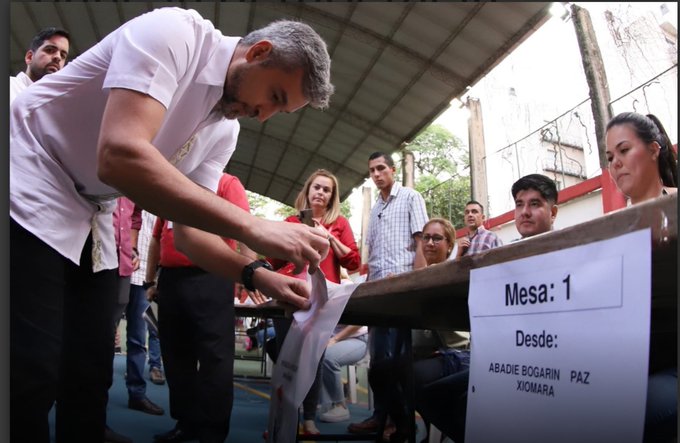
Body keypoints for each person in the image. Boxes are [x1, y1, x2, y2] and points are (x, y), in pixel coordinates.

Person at [10, 8, 333, 443]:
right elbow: (120, 155)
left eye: (281, 110)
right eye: (274, 96)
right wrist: (252, 226)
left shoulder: (224, 130)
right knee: (30, 366)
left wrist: (258, 275)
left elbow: (189, 232)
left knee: (89, 369)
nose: (264, 115)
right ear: (258, 52)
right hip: (28, 171)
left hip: (93, 208)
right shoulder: (174, 34)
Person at [418, 174, 559, 443]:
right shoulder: (503, 258)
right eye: (519, 204)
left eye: (535, 204)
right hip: (500, 364)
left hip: (545, 369)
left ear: (553, 212)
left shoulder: (569, 248)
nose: (525, 212)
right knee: (431, 397)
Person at [147, 172, 259, 443]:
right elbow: (156, 237)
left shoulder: (226, 184)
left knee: (215, 358)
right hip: (171, 281)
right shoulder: (171, 182)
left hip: (213, 277)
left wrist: (250, 272)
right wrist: (151, 279)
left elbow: (245, 229)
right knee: (176, 357)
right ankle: (186, 423)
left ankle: (213, 431)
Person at [267, 169, 362, 435]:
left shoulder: (340, 224)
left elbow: (353, 262)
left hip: (319, 300)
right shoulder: (290, 220)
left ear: (332, 197)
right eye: (316, 187)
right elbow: (273, 261)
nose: (320, 192)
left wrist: (329, 236)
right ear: (307, 191)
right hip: (289, 296)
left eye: (326, 190)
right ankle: (285, 417)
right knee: (286, 356)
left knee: (315, 360)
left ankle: (308, 418)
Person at [605, 112, 677, 443]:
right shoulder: (604, 230)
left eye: (623, 150)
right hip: (625, 360)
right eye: (609, 157)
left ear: (653, 149)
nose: (616, 163)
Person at [347, 152, 428, 441]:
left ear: (393, 170)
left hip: (401, 291)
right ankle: (380, 416)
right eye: (372, 170)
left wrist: (417, 282)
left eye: (381, 168)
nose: (376, 174)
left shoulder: (410, 197)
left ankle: (402, 422)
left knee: (398, 360)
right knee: (378, 360)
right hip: (379, 292)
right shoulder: (375, 208)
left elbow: (421, 242)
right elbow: (372, 255)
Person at [9, 26, 70, 103]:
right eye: (50, 50)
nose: (58, 57)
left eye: (63, 55)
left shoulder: (59, 103)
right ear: (30, 57)